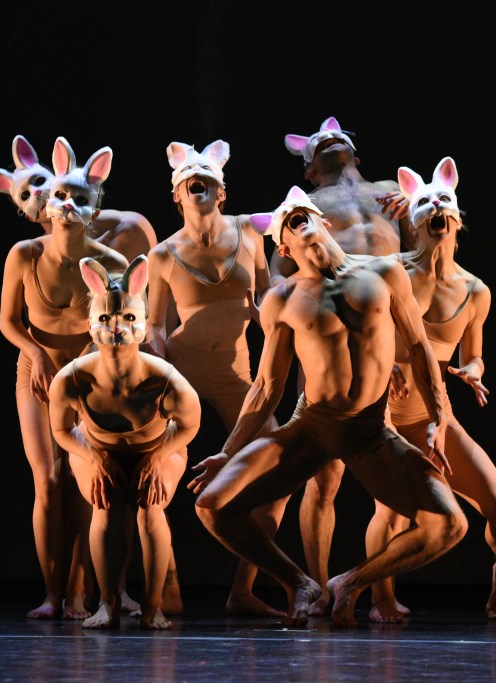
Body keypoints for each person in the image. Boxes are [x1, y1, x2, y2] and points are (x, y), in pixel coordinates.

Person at [190, 187, 467, 627]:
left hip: (371, 430)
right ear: (283, 246)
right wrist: (228, 451)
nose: (298, 217)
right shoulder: (282, 299)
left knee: (449, 525)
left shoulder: (385, 272)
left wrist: (440, 418)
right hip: (312, 427)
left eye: (304, 213)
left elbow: (419, 348)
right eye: (288, 219)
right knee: (211, 505)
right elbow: (267, 386)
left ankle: (349, 582)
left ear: (325, 222)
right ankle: (298, 582)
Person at [371, 158, 496, 621]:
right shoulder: (390, 270)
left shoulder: (476, 291)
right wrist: (384, 365)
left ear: (456, 218)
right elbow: (358, 331)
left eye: (443, 201)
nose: (436, 208)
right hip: (383, 415)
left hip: (434, 417)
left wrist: (473, 369)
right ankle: (381, 598)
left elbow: (473, 354)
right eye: (426, 203)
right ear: (415, 221)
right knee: (391, 514)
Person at [277, 116, 415, 615]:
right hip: (329, 350)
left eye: (338, 136)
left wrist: (416, 210)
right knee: (323, 476)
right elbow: (280, 276)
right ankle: (317, 590)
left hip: (387, 346)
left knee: (392, 480)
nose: (328, 135)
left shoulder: (392, 193)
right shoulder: (305, 208)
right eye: (318, 143)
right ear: (309, 169)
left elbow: (418, 266)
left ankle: (381, 594)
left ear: (356, 152)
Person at [146, 140, 286, 617]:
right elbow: (155, 324)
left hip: (235, 370)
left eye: (206, 178)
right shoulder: (163, 254)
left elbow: (267, 295)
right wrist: (159, 367)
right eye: (189, 179)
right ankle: (165, 583)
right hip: (183, 366)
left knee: (278, 468)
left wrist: (267, 316)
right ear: (177, 194)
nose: (198, 182)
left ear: (221, 192)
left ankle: (243, 589)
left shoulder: (249, 232)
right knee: (156, 472)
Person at [0, 137, 128, 619]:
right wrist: (36, 353)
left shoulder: (111, 263)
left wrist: (85, 364)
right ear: (47, 205)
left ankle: (82, 591)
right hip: (37, 370)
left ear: (96, 209)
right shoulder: (24, 254)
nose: (68, 204)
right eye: (60, 196)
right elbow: (8, 322)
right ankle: (53, 593)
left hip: (88, 374)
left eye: (79, 198)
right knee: (49, 479)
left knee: (86, 479)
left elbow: (115, 327)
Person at [49, 256, 200, 629]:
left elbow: (189, 425)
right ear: (91, 325)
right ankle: (108, 603)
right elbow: (62, 431)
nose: (116, 327)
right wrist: (94, 457)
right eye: (105, 318)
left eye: (128, 318)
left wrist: (159, 457)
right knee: (104, 505)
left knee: (150, 507)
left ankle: (153, 607)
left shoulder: (166, 380)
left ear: (144, 325)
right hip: (96, 450)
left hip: (157, 449)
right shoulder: (71, 380)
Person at [0, 134, 158, 258]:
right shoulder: (32, 256)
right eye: (25, 195)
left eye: (40, 180)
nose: (36, 192)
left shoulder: (129, 228)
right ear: (28, 216)